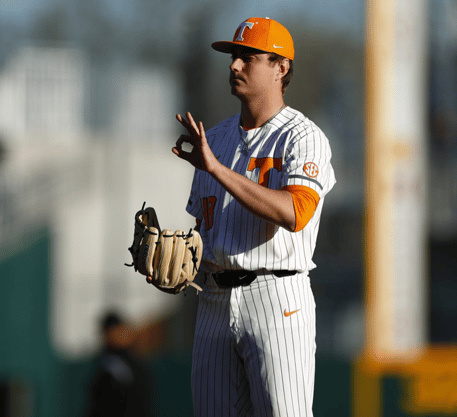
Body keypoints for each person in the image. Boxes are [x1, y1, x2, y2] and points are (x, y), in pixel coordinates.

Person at [171, 17, 336, 417]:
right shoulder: (219, 139)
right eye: (233, 57)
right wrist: (180, 265)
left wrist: (217, 170)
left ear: (281, 68)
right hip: (213, 298)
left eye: (248, 57)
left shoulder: (302, 136)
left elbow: (296, 212)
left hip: (277, 297)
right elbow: (204, 230)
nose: (234, 66)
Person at [84, 312, 150, 417]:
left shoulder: (133, 362)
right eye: (110, 331)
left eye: (119, 330)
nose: (117, 335)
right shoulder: (107, 363)